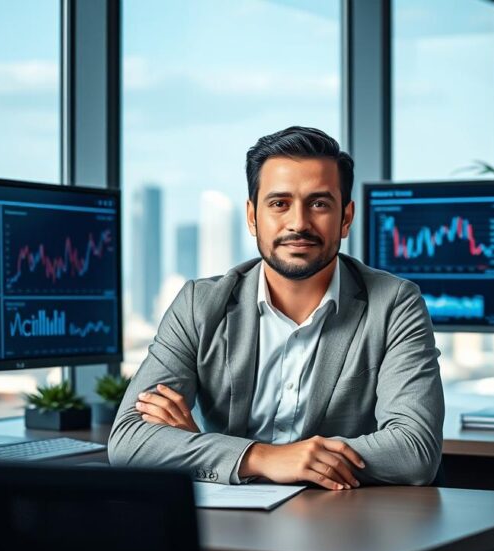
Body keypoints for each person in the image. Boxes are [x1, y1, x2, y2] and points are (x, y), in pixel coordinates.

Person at [108, 126, 444, 489]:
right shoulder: (198, 304)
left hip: (339, 524)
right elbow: (129, 440)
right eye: (279, 204)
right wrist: (264, 458)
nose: (298, 223)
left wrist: (199, 446)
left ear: (346, 217)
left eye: (319, 203)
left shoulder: (394, 304)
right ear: (253, 216)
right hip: (228, 523)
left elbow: (414, 450)